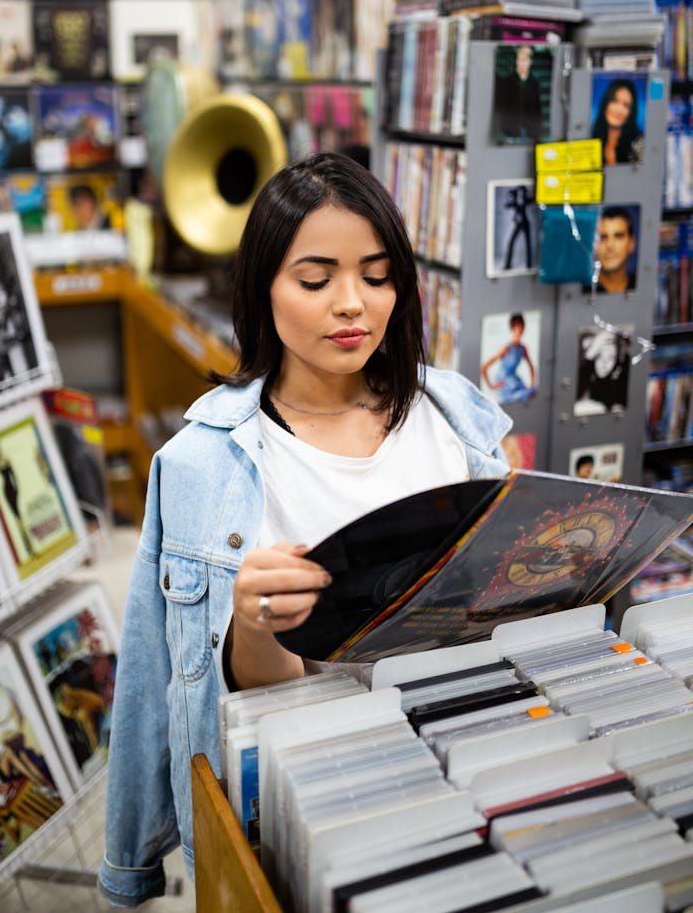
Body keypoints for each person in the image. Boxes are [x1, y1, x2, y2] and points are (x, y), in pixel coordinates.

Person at [99, 153, 512, 906]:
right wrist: (256, 628)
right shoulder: (200, 466)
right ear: (264, 287)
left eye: (377, 275)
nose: (351, 304)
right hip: (310, 804)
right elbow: (164, 686)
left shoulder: (459, 420)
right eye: (316, 280)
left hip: (474, 770)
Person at [480, 313, 537, 404]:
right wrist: (491, 386)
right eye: (517, 328)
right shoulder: (506, 348)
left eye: (521, 327)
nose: (519, 330)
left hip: (515, 380)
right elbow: (484, 366)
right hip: (504, 383)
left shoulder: (523, 348)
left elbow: (532, 367)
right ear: (512, 329)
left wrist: (532, 384)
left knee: (533, 392)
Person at [494, 44, 543, 143]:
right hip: (511, 130)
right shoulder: (508, 81)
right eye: (518, 59)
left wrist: (536, 131)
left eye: (523, 60)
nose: (520, 63)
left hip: (529, 130)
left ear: (529, 62)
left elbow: (537, 108)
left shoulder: (534, 82)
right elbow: (502, 106)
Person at [590, 78, 644, 166]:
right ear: (605, 104)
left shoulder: (638, 142)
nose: (619, 110)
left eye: (626, 105)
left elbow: (643, 176)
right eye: (614, 101)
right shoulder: (590, 135)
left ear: (631, 112)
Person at [585, 205, 637, 295]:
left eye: (618, 236)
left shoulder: (644, 286)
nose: (610, 246)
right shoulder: (583, 290)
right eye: (603, 237)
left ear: (631, 243)